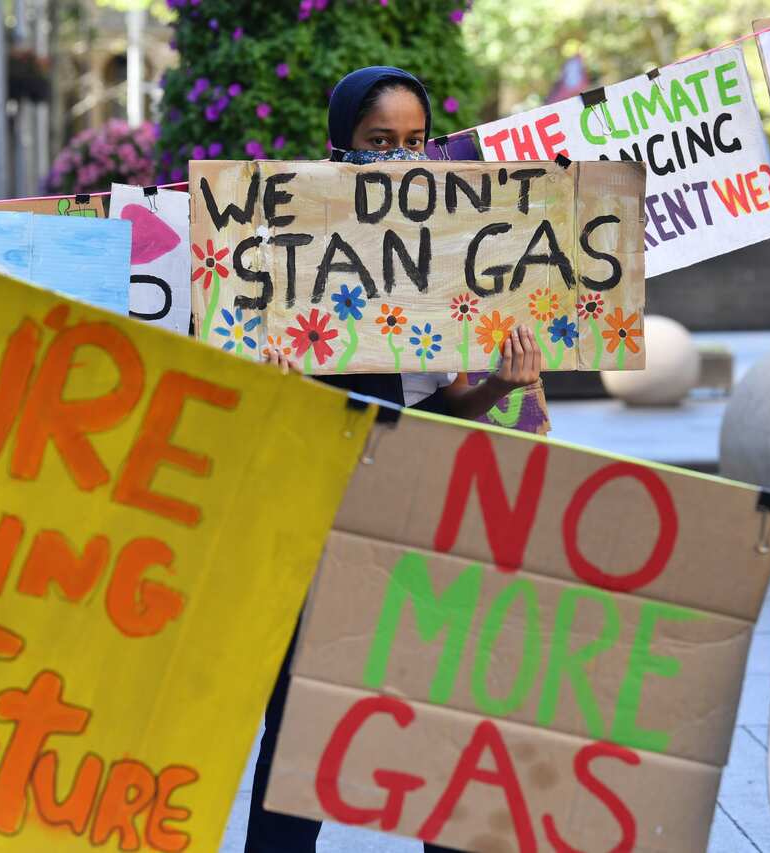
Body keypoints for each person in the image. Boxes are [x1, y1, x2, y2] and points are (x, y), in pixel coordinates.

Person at [247, 66, 544, 852]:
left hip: (417, 515)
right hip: (316, 519)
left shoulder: (443, 259)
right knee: (301, 726)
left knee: (435, 720)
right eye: (381, 142)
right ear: (338, 149)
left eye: (416, 142)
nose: (401, 157)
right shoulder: (283, 250)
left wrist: (493, 390)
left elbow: (440, 403)